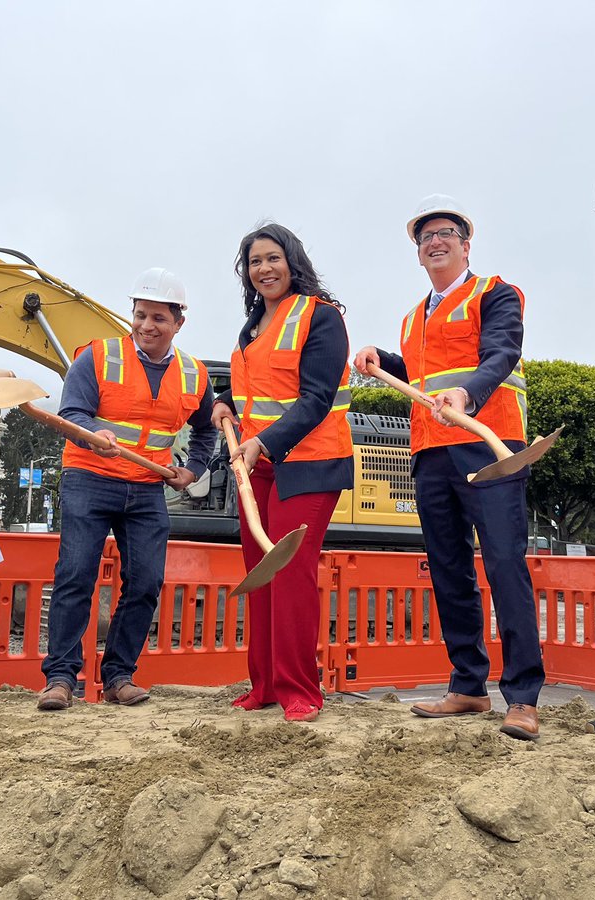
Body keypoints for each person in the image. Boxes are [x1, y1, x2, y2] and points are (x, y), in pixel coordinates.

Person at [353, 195, 545, 741]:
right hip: (430, 451)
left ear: (466, 244)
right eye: (424, 238)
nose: (434, 242)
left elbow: (501, 353)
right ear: (418, 254)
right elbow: (417, 370)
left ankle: (524, 696)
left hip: (491, 445)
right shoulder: (415, 317)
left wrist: (469, 393)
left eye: (445, 234)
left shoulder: (496, 294)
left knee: (506, 564)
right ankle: (468, 685)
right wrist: (379, 359)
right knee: (448, 567)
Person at [37, 268, 216, 711]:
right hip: (89, 479)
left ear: (179, 322)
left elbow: (206, 433)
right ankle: (60, 678)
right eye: (140, 315)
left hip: (146, 488)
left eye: (158, 317)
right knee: (76, 575)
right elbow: (72, 413)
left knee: (146, 583)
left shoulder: (194, 374)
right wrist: (94, 432)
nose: (146, 326)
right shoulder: (97, 357)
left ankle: (118, 676)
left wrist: (192, 469)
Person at [212, 223, 354, 723]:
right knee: (262, 572)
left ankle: (301, 690)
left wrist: (263, 441)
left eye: (272, 258)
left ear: (292, 262)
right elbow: (256, 387)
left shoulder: (321, 318)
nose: (263, 269)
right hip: (260, 465)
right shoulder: (253, 324)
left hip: (310, 463)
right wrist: (225, 404)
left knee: (290, 571)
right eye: (254, 262)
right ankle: (265, 685)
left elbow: (316, 399)